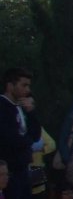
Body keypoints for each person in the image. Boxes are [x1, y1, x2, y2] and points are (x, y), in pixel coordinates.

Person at [0, 68, 42, 199]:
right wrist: (27, 141)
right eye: (24, 85)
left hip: (23, 168)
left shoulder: (21, 107)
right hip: (9, 169)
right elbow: (9, 138)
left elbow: (36, 135)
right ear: (10, 85)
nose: (27, 90)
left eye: (28, 85)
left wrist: (31, 112)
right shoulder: (2, 106)